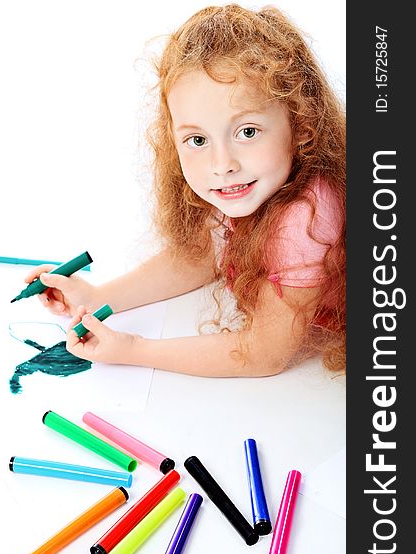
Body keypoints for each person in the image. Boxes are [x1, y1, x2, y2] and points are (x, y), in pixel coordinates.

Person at [24, 4, 345, 377]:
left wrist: (133, 349)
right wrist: (98, 297)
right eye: (197, 139)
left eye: (248, 132)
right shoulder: (248, 184)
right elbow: (199, 258)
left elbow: (261, 353)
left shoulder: (306, 216)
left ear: (302, 125)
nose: (221, 163)